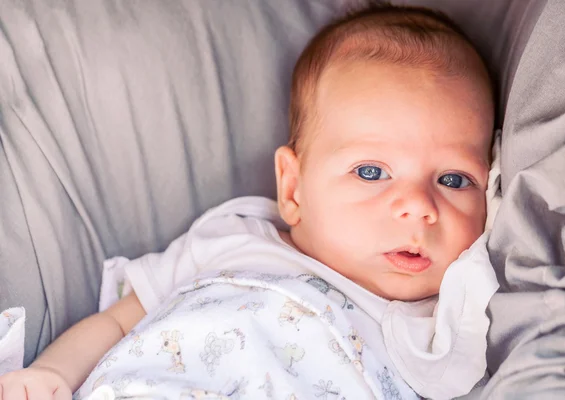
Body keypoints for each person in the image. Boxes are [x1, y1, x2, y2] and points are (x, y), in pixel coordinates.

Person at [0, 3, 496, 399]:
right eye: (371, 172)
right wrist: (50, 373)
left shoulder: (446, 319)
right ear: (294, 189)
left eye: (454, 180)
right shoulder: (232, 238)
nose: (418, 207)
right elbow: (114, 321)